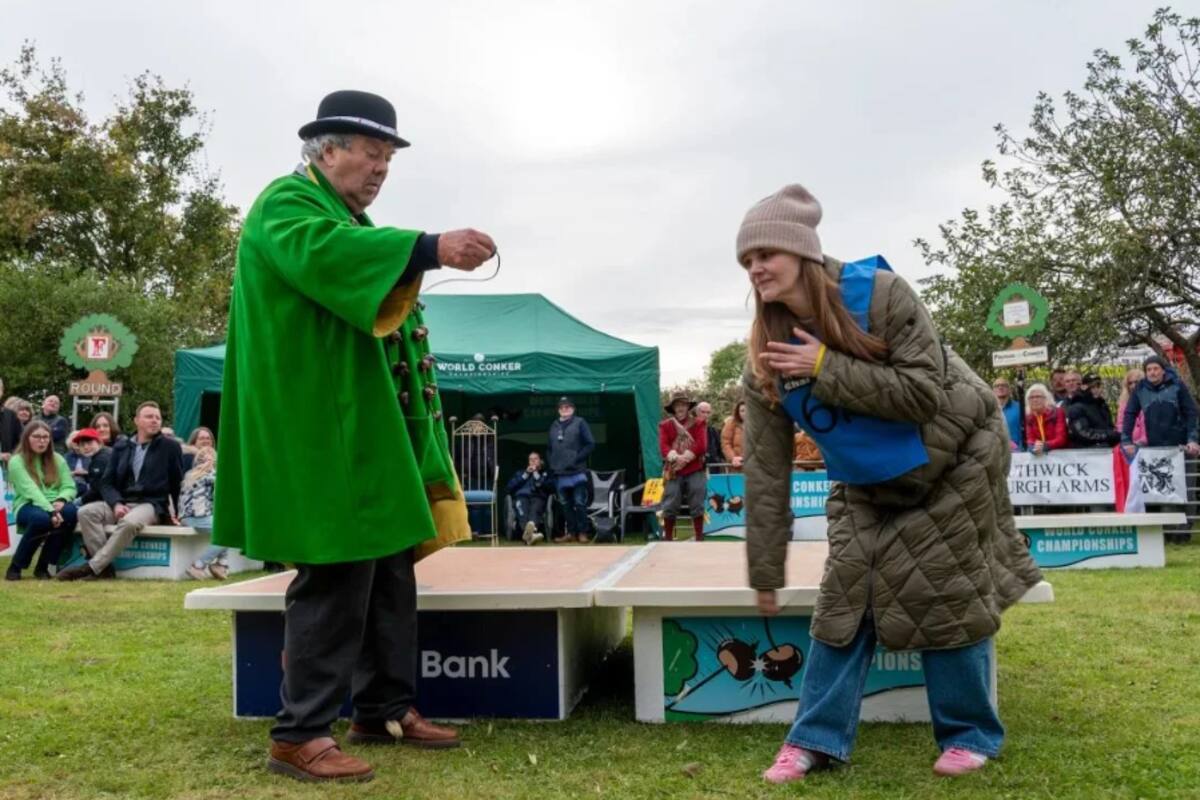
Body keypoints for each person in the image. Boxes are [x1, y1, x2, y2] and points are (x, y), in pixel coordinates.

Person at [210, 90, 495, 782]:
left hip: (360, 429)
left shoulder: (346, 218)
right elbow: (327, 255)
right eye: (371, 153)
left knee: (390, 570)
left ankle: (383, 709)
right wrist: (427, 247)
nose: (380, 169)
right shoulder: (286, 204)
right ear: (327, 149)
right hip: (316, 431)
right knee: (335, 574)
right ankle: (298, 734)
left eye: (388, 158)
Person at [735, 184, 1041, 783]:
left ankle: (969, 733)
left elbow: (922, 395)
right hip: (867, 479)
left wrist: (825, 367)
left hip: (957, 451)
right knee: (844, 594)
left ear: (801, 251)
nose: (755, 268)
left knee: (944, 584)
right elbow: (766, 472)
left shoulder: (881, 295)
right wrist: (764, 572)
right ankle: (813, 740)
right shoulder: (764, 355)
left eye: (765, 254)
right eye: (747, 260)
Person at [57, 401, 184, 581]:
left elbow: (177, 483)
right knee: (86, 512)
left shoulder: (170, 447)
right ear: (136, 421)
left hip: (151, 504)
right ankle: (105, 570)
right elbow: (106, 483)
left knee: (129, 522)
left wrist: (180, 513)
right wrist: (116, 503)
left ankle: (92, 567)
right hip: (122, 501)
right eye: (149, 416)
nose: (155, 420)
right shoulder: (122, 446)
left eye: (158, 417)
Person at [4, 421, 78, 580]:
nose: (42, 441)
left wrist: (62, 499)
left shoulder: (58, 459)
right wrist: (51, 511)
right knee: (41, 519)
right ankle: (16, 566)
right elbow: (30, 490)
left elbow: (69, 486)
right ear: (26, 438)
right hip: (27, 504)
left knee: (70, 512)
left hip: (55, 502)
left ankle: (43, 567)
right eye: (36, 436)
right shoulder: (16, 461)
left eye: (45, 437)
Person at [1121, 355, 1200, 456]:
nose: (1152, 372)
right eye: (1149, 370)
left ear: (1163, 371)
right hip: (1154, 446)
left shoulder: (1177, 385)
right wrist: (1126, 441)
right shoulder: (1140, 389)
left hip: (1181, 445)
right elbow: (1129, 414)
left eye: (1156, 369)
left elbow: (1191, 412)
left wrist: (1192, 439)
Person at [658, 393, 707, 541]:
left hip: (694, 468)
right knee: (670, 502)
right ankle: (668, 539)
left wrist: (686, 458)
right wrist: (675, 457)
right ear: (673, 408)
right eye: (677, 405)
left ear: (688, 407)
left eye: (683, 405)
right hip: (674, 469)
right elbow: (663, 446)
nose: (680, 408)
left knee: (697, 501)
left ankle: (699, 538)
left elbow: (701, 444)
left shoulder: (699, 423)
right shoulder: (665, 425)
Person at [548, 396, 596, 544]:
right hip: (560, 472)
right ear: (558, 410)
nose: (564, 409)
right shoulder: (554, 425)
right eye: (562, 407)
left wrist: (576, 459)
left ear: (573, 409)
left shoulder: (580, 422)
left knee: (579, 502)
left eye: (567, 407)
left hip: (577, 471)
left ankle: (583, 533)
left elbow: (590, 444)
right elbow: (549, 447)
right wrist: (551, 462)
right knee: (565, 504)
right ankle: (571, 533)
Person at [181, 447, 229, 580]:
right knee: (225, 534)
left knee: (224, 529)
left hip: (186, 517)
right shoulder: (211, 476)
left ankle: (221, 565)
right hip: (198, 517)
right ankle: (198, 566)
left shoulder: (189, 473)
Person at [1065, 373, 1120, 448]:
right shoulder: (1076, 407)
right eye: (1092, 387)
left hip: (1105, 448)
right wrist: (1110, 435)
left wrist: (1115, 435)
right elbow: (1083, 433)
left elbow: (1110, 427)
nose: (1096, 390)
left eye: (1098, 386)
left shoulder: (1102, 405)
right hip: (1085, 450)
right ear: (1084, 387)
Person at [505, 451, 548, 545]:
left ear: (540, 461)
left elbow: (548, 488)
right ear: (528, 462)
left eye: (535, 459)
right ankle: (531, 535)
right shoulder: (520, 473)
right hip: (521, 497)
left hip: (538, 497)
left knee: (535, 510)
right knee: (522, 509)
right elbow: (509, 488)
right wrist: (525, 475)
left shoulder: (545, 474)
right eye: (530, 459)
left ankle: (528, 536)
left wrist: (536, 475)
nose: (533, 461)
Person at [69, 428, 110, 505]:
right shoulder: (104, 453)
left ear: (99, 443)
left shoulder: (100, 459)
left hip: (116, 501)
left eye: (89, 443)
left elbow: (97, 490)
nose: (86, 447)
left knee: (80, 510)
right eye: (82, 445)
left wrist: (78, 501)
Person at [1024, 383, 1068, 454]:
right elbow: (1030, 439)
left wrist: (1045, 445)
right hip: (1039, 454)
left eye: (1038, 396)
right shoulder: (1029, 416)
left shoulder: (1057, 412)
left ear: (1046, 398)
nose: (1035, 400)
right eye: (1031, 397)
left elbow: (1061, 439)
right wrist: (1032, 447)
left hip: (1060, 455)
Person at [991, 377, 1023, 451]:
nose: (1000, 387)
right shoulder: (988, 409)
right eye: (997, 386)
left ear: (1009, 389)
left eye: (1003, 385)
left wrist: (1020, 448)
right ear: (993, 390)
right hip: (995, 452)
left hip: (1018, 452)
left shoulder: (1020, 407)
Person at [0, 377, 23, 465]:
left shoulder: (10, 415)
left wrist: (13, 455)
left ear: (2, 392)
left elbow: (20, 442)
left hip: (6, 467)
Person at [696, 401, 723, 469]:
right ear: (697, 413)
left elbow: (721, 449)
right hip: (696, 469)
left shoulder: (713, 431)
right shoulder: (691, 429)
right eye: (703, 412)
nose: (706, 415)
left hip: (713, 468)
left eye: (708, 413)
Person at [720, 401, 746, 471]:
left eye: (747, 410)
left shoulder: (758, 425)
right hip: (737, 465)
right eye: (742, 411)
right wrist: (733, 458)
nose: (745, 413)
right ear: (738, 412)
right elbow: (725, 443)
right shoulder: (731, 423)